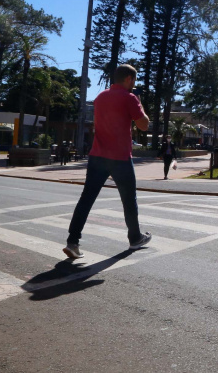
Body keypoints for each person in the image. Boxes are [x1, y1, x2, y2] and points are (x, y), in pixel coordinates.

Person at [63, 64, 152, 259]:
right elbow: (144, 125)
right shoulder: (129, 98)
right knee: (129, 200)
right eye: (133, 80)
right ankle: (135, 237)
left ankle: (72, 241)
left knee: (86, 199)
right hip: (119, 157)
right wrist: (139, 102)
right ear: (128, 79)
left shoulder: (100, 97)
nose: (134, 85)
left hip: (97, 156)